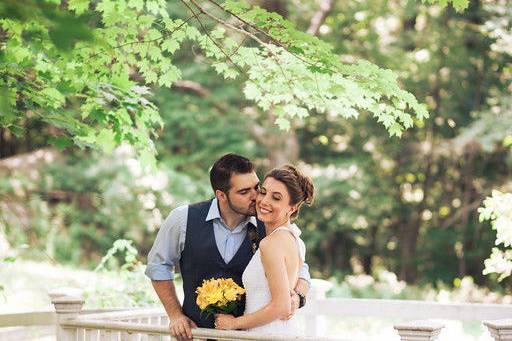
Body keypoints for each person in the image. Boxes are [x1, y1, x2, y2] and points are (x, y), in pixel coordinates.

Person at [145, 154, 311, 340]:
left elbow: (301, 269)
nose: (256, 197)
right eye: (244, 192)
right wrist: (175, 315)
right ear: (221, 195)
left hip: (248, 335)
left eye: (257, 188)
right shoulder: (182, 219)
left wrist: (297, 297)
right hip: (196, 334)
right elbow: (158, 266)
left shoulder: (271, 226)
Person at [214, 165, 314, 336]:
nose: (264, 201)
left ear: (293, 207)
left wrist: (234, 323)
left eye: (276, 198)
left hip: (267, 334)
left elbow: (281, 306)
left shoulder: (271, 243)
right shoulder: (294, 239)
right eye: (263, 192)